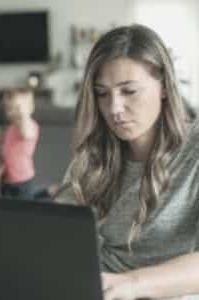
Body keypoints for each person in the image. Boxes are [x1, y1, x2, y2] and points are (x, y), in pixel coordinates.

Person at [55, 24, 199, 300]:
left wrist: (131, 284)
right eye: (102, 93)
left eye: (129, 91)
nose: (114, 109)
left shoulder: (194, 150)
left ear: (164, 87)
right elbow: (58, 236)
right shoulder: (94, 154)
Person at [0, 87, 40, 198]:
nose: (13, 113)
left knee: (23, 209)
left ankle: (45, 194)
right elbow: (10, 145)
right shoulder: (12, 127)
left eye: (17, 108)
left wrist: (23, 115)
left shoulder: (31, 126)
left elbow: (26, 134)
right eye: (9, 109)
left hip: (22, 180)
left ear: (30, 108)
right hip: (7, 177)